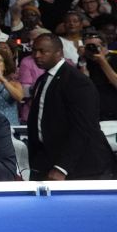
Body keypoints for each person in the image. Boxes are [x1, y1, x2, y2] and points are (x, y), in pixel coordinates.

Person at [25, 34, 116, 180]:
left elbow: (84, 127)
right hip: (47, 161)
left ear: (59, 53)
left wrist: (62, 167)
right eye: (34, 51)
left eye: (43, 51)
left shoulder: (77, 81)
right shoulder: (43, 80)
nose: (37, 55)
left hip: (81, 168)